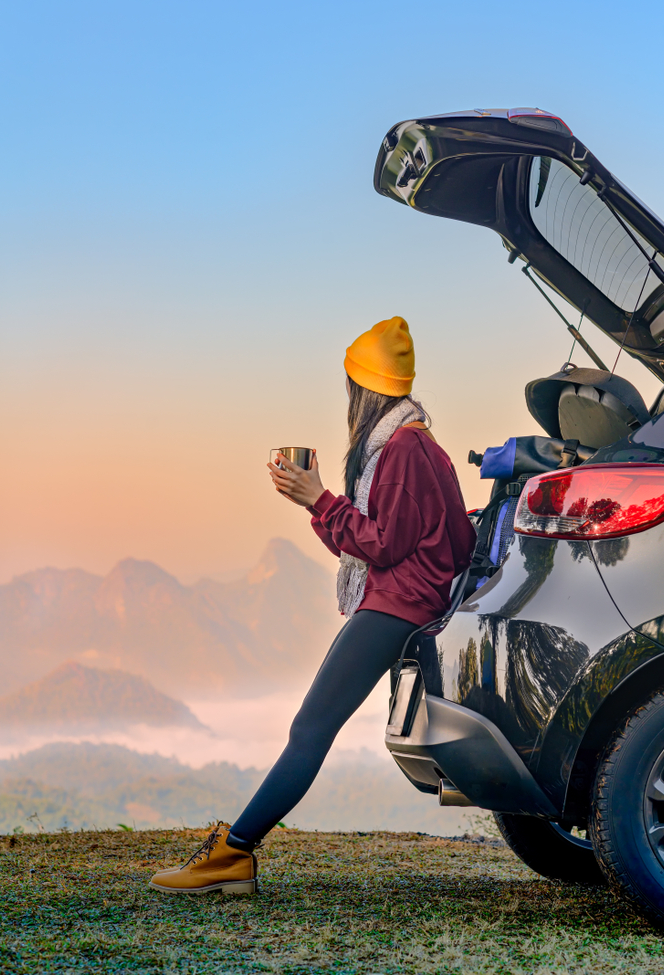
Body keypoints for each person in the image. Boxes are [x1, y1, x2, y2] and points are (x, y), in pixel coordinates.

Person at [150, 316, 476, 895]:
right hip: (403, 594)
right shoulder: (414, 445)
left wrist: (320, 498)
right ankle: (234, 853)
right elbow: (371, 538)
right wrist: (313, 502)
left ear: (364, 389)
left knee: (310, 728)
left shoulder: (402, 448)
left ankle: (233, 856)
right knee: (313, 726)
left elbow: (383, 544)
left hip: (400, 600)